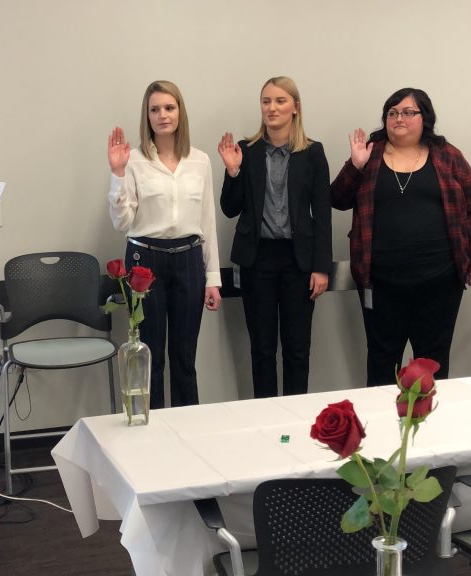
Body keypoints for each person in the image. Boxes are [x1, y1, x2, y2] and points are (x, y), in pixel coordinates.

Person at [330, 88, 471, 386]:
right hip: (381, 282)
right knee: (381, 359)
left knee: (432, 360)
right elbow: (337, 198)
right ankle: (382, 429)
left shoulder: (448, 155)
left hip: (440, 281)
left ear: (424, 117)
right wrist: (356, 165)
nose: (398, 118)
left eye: (407, 112)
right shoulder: (370, 152)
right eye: (392, 113)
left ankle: (426, 428)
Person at [107, 80, 221, 408]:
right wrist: (117, 174)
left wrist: (212, 279)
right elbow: (122, 223)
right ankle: (150, 434)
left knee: (185, 360)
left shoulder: (199, 161)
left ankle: (188, 434)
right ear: (147, 116)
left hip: (188, 260)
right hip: (146, 261)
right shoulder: (133, 161)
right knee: (151, 359)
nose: (163, 115)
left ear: (180, 112)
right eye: (155, 109)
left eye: (169, 108)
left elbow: (207, 222)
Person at [217, 76, 331, 397]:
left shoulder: (312, 153)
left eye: (280, 101)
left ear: (295, 107)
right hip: (258, 262)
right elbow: (229, 209)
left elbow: (322, 215)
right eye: (266, 101)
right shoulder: (246, 151)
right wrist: (233, 172)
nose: (272, 108)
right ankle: (264, 423)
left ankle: (295, 419)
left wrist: (321, 267)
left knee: (297, 351)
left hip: (299, 263)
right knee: (262, 351)